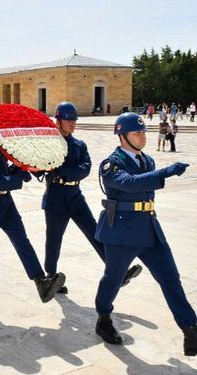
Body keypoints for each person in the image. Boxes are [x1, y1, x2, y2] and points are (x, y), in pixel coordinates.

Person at [94, 112, 197, 356]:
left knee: (171, 279)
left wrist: (159, 172)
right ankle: (104, 317)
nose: (142, 137)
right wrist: (165, 173)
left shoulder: (148, 161)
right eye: (137, 133)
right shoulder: (111, 164)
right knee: (113, 278)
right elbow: (129, 183)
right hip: (121, 231)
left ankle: (191, 329)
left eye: (143, 132)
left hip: (149, 229)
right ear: (122, 136)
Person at [0, 104, 65, 313]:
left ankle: (41, 282)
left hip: (6, 204)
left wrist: (27, 165)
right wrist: (20, 176)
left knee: (23, 241)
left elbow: (8, 170)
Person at [40, 102, 141, 294]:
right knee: (54, 239)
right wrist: (62, 171)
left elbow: (85, 169)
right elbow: (45, 166)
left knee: (96, 232)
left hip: (75, 196)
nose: (72, 123)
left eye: (74, 120)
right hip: (56, 197)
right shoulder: (49, 144)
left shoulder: (79, 145)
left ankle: (116, 272)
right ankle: (50, 278)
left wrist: (63, 172)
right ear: (58, 121)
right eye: (68, 120)